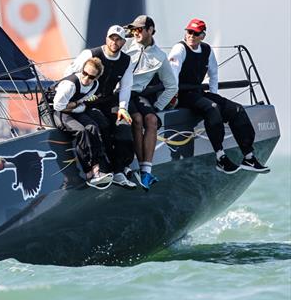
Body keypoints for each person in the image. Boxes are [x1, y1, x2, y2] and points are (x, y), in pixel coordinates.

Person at [168, 18, 269, 173]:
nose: (191, 36)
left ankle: (248, 157)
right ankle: (220, 157)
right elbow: (173, 75)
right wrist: (172, 98)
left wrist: (213, 95)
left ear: (202, 35)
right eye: (189, 32)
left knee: (236, 110)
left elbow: (213, 74)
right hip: (182, 95)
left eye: (195, 33)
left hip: (198, 93)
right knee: (212, 108)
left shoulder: (207, 50)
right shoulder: (179, 49)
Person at [65, 25, 138, 189]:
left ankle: (120, 170)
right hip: (88, 101)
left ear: (123, 42)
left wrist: (123, 108)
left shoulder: (126, 60)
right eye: (112, 38)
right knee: (102, 125)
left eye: (118, 39)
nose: (115, 42)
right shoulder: (91, 54)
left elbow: (126, 87)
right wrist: (71, 98)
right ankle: (106, 168)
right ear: (106, 38)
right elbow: (68, 74)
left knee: (124, 126)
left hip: (109, 101)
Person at [123, 15, 179, 190]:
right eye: (134, 30)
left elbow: (172, 86)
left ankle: (147, 171)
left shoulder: (160, 56)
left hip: (137, 94)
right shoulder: (124, 45)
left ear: (151, 30)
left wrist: (157, 107)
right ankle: (140, 168)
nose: (135, 32)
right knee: (137, 119)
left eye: (139, 29)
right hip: (119, 93)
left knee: (152, 120)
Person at [47, 57, 113, 188]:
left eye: (91, 77)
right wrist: (75, 105)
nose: (86, 78)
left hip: (73, 108)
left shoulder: (94, 85)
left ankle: (97, 169)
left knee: (93, 127)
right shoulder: (70, 85)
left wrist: (74, 105)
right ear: (82, 70)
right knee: (81, 131)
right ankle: (89, 172)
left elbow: (83, 101)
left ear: (96, 78)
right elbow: (58, 107)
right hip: (56, 110)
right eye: (85, 73)